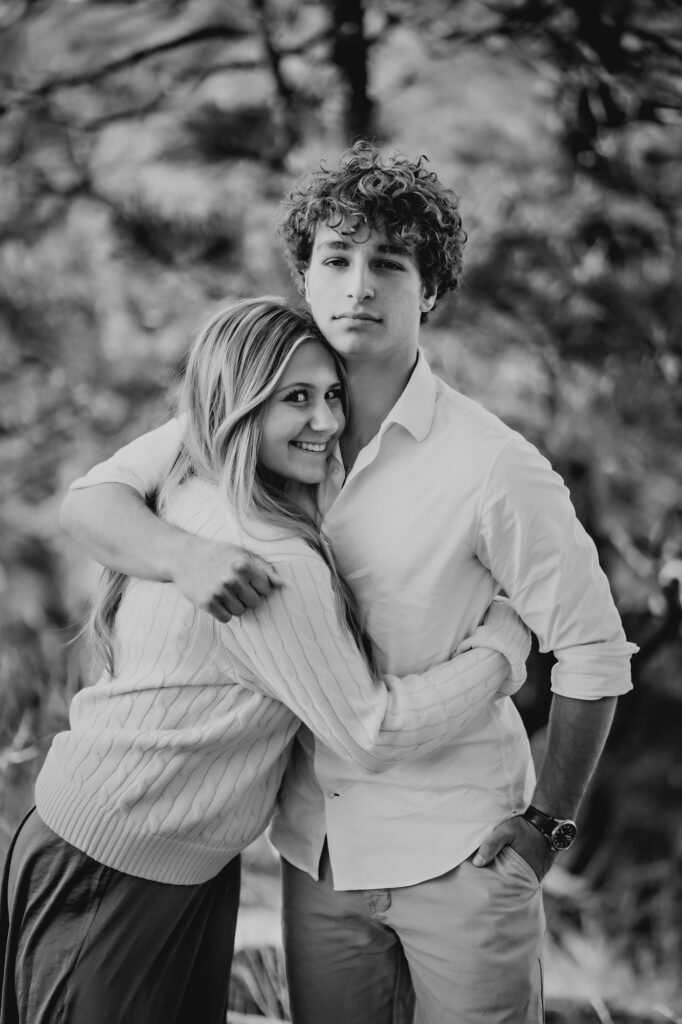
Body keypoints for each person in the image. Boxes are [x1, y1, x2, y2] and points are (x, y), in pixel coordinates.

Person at [58, 144, 636, 1024]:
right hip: (316, 857)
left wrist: (546, 828)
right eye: (337, 259)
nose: (360, 285)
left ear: (430, 290)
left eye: (389, 264)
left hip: (462, 854)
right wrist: (184, 556)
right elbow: (94, 499)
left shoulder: (494, 468)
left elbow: (595, 653)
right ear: (307, 275)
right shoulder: (253, 415)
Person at [0, 297, 531, 1024]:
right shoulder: (269, 559)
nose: (326, 422)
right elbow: (371, 730)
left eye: (333, 396)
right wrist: (504, 641)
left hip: (168, 857)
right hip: (114, 863)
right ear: (240, 407)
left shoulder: (196, 473)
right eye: (296, 400)